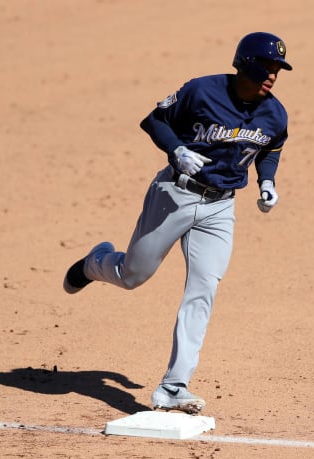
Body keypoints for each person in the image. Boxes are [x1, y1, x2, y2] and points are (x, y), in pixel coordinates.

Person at [63, 32, 292, 414]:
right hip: (176, 195)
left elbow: (271, 146)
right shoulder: (202, 91)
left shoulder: (274, 112)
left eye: (277, 70)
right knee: (132, 275)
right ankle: (96, 262)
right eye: (266, 67)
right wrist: (177, 149)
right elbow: (153, 120)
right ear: (244, 64)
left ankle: (173, 386)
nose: (272, 76)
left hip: (221, 209)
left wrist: (267, 181)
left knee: (204, 290)